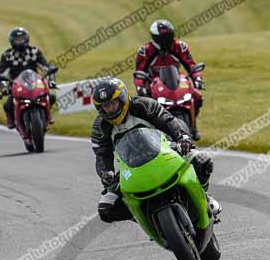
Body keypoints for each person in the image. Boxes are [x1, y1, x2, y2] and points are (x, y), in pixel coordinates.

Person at [90, 77, 220, 223]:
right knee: (106, 210)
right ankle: (145, 217)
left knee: (202, 161)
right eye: (105, 106)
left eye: (112, 104)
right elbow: (101, 154)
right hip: (130, 167)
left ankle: (205, 195)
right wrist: (106, 173)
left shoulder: (144, 105)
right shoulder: (99, 127)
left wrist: (182, 137)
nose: (110, 109)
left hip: (166, 150)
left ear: (122, 99)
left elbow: (167, 121)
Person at [134, 19, 205, 139]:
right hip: (154, 84)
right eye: (164, 37)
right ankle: (148, 134)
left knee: (197, 97)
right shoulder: (145, 51)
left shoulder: (180, 47)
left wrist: (197, 78)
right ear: (155, 38)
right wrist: (141, 87)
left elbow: (191, 65)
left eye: (169, 36)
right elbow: (139, 72)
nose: (167, 40)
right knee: (141, 107)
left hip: (175, 80)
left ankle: (193, 127)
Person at [0, 27, 56, 129]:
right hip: (16, 85)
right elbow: (1, 74)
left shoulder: (34, 51)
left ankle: (48, 115)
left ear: (26, 39)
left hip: (35, 82)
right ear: (12, 41)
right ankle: (11, 118)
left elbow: (46, 67)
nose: (19, 42)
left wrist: (52, 81)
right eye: (17, 40)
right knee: (8, 104)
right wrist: (4, 88)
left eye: (21, 39)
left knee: (50, 97)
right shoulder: (7, 55)